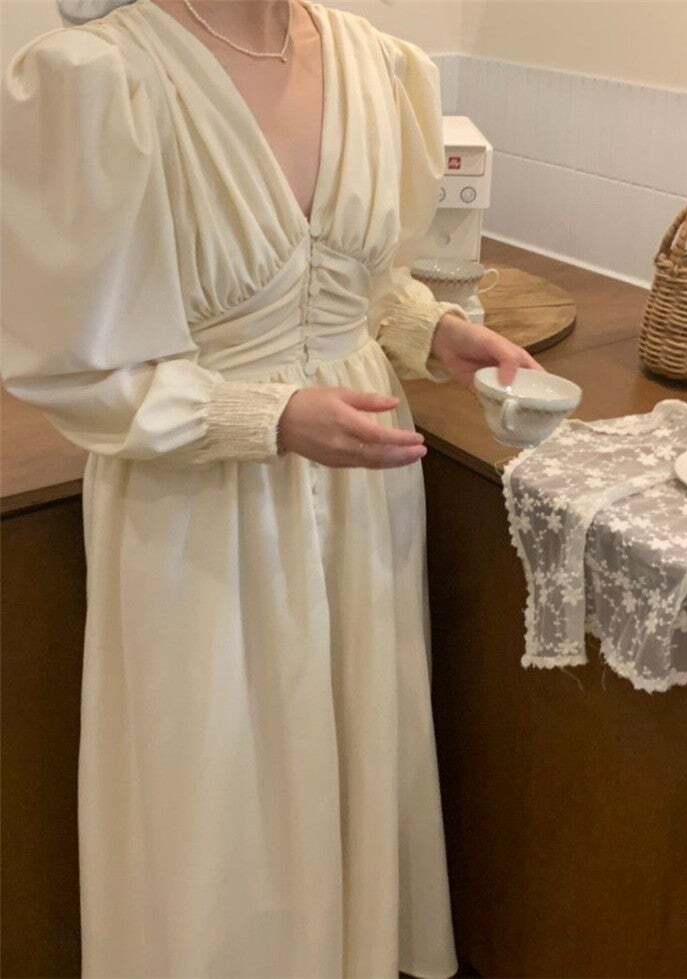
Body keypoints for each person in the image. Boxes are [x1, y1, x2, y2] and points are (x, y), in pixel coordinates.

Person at [1, 1, 542, 975]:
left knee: (352, 751)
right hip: (199, 503)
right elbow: (71, 363)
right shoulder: (99, 78)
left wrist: (431, 331)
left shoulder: (378, 64)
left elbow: (356, 285)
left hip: (362, 494)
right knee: (215, 805)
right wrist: (267, 416)